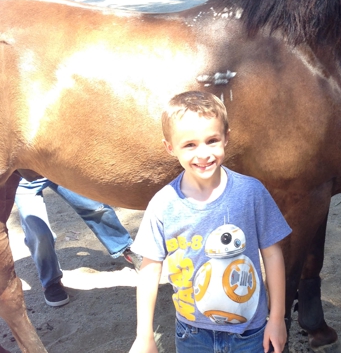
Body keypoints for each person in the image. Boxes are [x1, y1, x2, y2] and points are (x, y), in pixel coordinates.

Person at [129, 91, 292, 353]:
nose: (203, 154)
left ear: (226, 137)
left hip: (249, 332)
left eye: (212, 140)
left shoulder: (251, 193)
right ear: (170, 147)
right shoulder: (163, 204)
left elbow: (273, 255)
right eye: (190, 145)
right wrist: (144, 335)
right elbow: (149, 269)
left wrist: (277, 318)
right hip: (192, 333)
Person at [16, 177, 142, 307]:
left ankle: (125, 247)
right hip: (23, 177)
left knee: (95, 207)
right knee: (39, 233)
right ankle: (51, 282)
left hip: (55, 164)